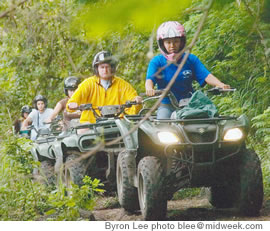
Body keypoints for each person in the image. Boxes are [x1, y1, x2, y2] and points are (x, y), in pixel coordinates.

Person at [145, 21, 230, 119]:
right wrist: (149, 89)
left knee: (208, 121)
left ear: (182, 42)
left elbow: (206, 75)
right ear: (162, 43)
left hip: (190, 104)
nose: (172, 45)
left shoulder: (190, 59)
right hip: (167, 105)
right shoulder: (157, 61)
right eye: (168, 42)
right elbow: (149, 79)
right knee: (162, 125)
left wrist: (220, 85)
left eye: (176, 41)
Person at [67, 51, 142, 130]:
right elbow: (74, 99)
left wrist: (136, 100)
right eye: (102, 67)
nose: (105, 70)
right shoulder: (88, 83)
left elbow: (132, 98)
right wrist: (72, 104)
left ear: (112, 68)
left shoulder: (122, 84)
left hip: (118, 123)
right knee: (82, 132)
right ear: (97, 69)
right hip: (91, 124)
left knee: (136, 132)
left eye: (107, 67)